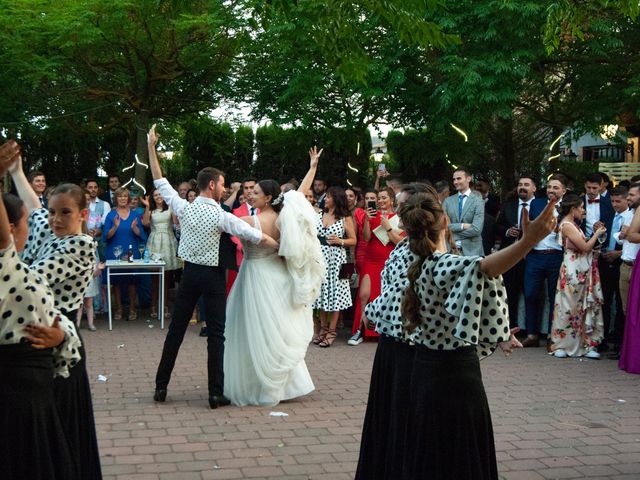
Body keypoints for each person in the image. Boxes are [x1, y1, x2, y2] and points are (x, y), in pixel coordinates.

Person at [355, 189, 557, 480]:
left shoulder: (411, 256)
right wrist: (527, 242)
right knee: (454, 456)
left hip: (423, 367)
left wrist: (499, 332)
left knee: (426, 454)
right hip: (450, 375)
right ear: (445, 222)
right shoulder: (438, 264)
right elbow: (485, 268)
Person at [147, 125, 278, 409]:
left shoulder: (183, 207)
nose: (225, 187)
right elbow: (254, 236)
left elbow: (159, 180)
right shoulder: (222, 215)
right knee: (217, 334)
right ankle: (214, 393)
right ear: (212, 185)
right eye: (222, 184)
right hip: (214, 276)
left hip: (190, 273)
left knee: (176, 331)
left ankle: (161, 386)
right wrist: (282, 247)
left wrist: (151, 147)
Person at [8, 154, 102, 479]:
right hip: (40, 340)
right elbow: (33, 209)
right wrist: (16, 170)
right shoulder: (48, 229)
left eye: (65, 212)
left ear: (83, 214)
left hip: (62, 342)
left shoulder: (81, 246)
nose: (55, 219)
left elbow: (30, 279)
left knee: (61, 435)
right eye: (53, 212)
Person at [224, 148, 325, 406]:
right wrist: (312, 168)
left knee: (253, 329)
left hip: (254, 276)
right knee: (275, 329)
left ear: (268, 198)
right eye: (250, 191)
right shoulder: (283, 219)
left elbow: (222, 219)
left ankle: (259, 382)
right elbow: (300, 195)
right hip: (277, 276)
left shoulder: (246, 220)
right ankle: (281, 384)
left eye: (255, 192)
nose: (250, 194)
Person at [549, 194, 605, 359]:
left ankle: (584, 344)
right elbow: (585, 247)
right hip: (573, 271)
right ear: (573, 209)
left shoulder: (574, 224)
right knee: (567, 307)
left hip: (581, 268)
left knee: (580, 308)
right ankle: (562, 344)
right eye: (581, 208)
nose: (583, 211)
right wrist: (597, 233)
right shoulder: (567, 225)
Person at [349, 187, 402, 345]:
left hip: (389, 260)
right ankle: (360, 330)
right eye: (379, 198)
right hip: (371, 259)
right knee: (364, 294)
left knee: (386, 295)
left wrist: (387, 226)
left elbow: (400, 242)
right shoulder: (372, 216)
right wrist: (367, 220)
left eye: (384, 198)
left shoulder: (399, 218)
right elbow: (366, 237)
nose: (380, 201)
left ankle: (384, 331)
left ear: (391, 200)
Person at [522, 174, 567, 347]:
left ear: (563, 190)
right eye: (549, 187)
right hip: (535, 256)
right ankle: (532, 335)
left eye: (555, 188)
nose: (551, 190)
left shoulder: (568, 205)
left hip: (556, 256)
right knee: (531, 294)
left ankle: (551, 335)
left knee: (554, 297)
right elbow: (526, 227)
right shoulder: (537, 203)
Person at [312, 186, 357, 347]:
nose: (326, 199)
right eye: (326, 196)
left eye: (329, 197)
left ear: (336, 199)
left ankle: (332, 332)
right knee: (321, 294)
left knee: (335, 295)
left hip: (336, 259)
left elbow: (354, 240)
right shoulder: (318, 214)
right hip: (319, 257)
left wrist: (341, 241)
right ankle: (323, 330)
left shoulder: (345, 218)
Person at [496, 176, 537, 328]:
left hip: (532, 256)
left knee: (531, 294)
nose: (522, 187)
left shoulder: (540, 206)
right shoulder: (509, 205)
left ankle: (531, 330)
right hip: (510, 256)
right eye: (520, 184)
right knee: (509, 294)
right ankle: (510, 327)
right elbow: (498, 226)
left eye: (526, 184)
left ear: (534, 188)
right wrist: (507, 231)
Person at [101, 187, 146, 321]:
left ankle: (132, 308)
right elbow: (105, 237)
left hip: (132, 251)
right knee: (116, 282)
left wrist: (134, 228)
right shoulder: (111, 215)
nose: (122, 199)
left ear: (128, 199)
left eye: (125, 196)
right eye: (119, 196)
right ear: (116, 199)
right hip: (115, 252)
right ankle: (119, 309)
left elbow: (142, 235)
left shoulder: (135, 215)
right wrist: (115, 227)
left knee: (132, 282)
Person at [141, 189, 180, 319]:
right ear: (152, 197)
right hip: (155, 242)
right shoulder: (151, 210)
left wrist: (173, 205)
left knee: (167, 277)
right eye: (156, 194)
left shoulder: (170, 208)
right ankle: (153, 305)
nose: (158, 196)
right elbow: (145, 223)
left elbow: (176, 223)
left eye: (160, 194)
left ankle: (165, 306)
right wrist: (147, 206)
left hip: (168, 241)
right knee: (154, 278)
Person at [600, 186, 629, 358]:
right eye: (612, 201)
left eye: (619, 201)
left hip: (620, 263)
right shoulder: (609, 215)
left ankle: (619, 343)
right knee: (604, 301)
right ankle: (602, 340)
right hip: (606, 262)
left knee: (620, 304)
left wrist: (617, 253)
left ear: (627, 200)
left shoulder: (631, 218)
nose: (615, 204)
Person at [619, 184, 640, 374]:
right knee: (632, 312)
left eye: (632, 195)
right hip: (631, 263)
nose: (629, 197)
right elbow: (631, 236)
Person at [442, 167, 485, 256]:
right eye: (454, 179)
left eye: (459, 178)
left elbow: (476, 230)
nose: (455, 182)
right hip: (451, 251)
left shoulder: (478, 201)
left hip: (473, 252)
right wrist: (463, 226)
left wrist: (453, 235)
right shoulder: (447, 201)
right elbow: (443, 227)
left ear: (468, 179)